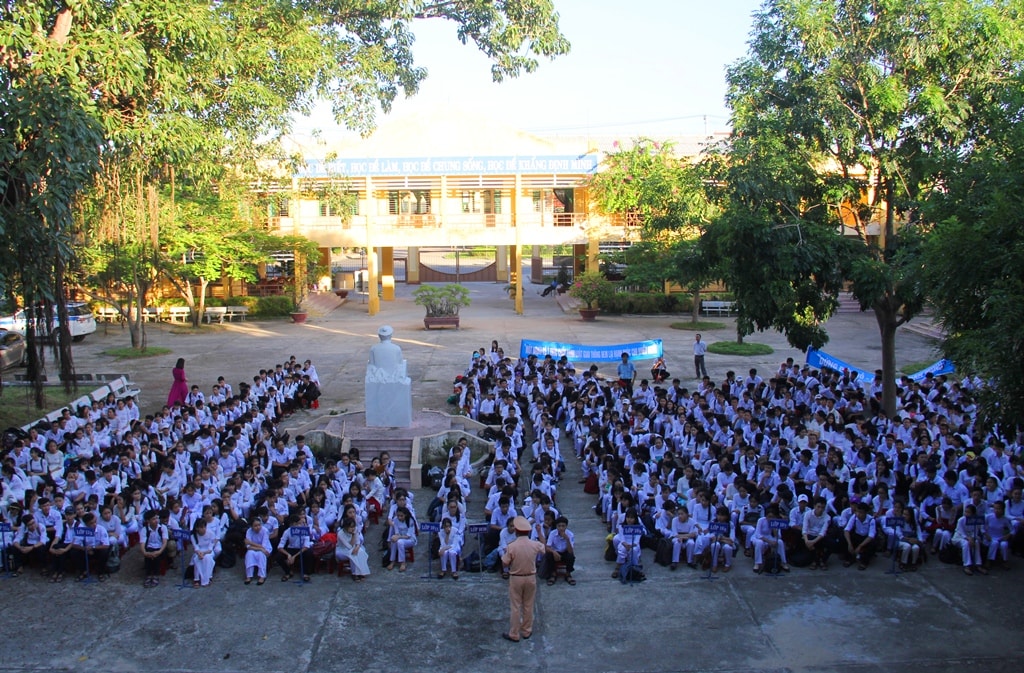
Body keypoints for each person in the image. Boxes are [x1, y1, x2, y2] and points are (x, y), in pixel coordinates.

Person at [500, 516, 545, 643]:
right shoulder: (534, 544)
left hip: (516, 578)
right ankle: (526, 630)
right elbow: (544, 548)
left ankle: (514, 633)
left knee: (516, 606)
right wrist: (540, 532)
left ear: (516, 531)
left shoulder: (512, 546)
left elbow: (504, 563)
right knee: (528, 605)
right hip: (530, 578)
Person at [543, 516, 576, 585]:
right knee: (548, 555)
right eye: (559, 526)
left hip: (565, 552)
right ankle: (553, 574)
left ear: (566, 526)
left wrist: (567, 539)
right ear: (556, 526)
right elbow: (547, 547)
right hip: (555, 552)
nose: (561, 528)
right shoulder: (552, 533)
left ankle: (568, 574)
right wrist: (554, 552)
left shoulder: (570, 534)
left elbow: (570, 550)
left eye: (563, 526)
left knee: (571, 556)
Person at [335, 517, 370, 581]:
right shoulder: (340, 533)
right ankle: (355, 573)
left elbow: (358, 541)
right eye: (351, 527)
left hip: (354, 547)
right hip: (342, 549)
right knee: (352, 554)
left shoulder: (355, 529)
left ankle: (362, 572)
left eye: (353, 526)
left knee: (360, 552)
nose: (353, 528)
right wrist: (353, 536)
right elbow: (348, 546)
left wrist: (357, 547)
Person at [243, 517, 272, 585]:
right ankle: (249, 576)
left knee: (261, 555)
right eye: (255, 526)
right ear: (252, 526)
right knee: (249, 554)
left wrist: (250, 543)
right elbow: (248, 547)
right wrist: (259, 548)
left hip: (265, 549)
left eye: (259, 525)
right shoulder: (249, 531)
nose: (258, 527)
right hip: (254, 549)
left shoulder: (265, 531)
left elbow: (263, 546)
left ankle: (262, 576)